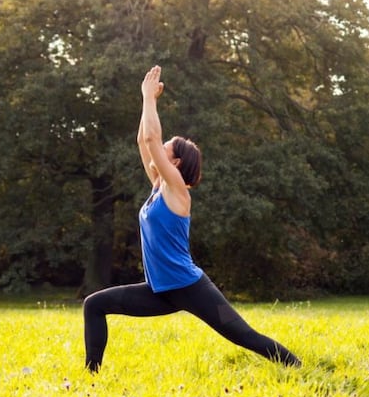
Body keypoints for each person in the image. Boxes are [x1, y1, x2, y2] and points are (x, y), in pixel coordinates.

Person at [82, 66, 301, 373]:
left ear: (176, 162)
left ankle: (297, 366)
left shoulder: (177, 191)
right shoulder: (158, 187)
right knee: (94, 305)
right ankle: (91, 375)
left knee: (242, 336)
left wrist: (149, 99)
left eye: (165, 150)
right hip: (159, 291)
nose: (157, 151)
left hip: (189, 286)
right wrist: (145, 102)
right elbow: (145, 142)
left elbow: (152, 137)